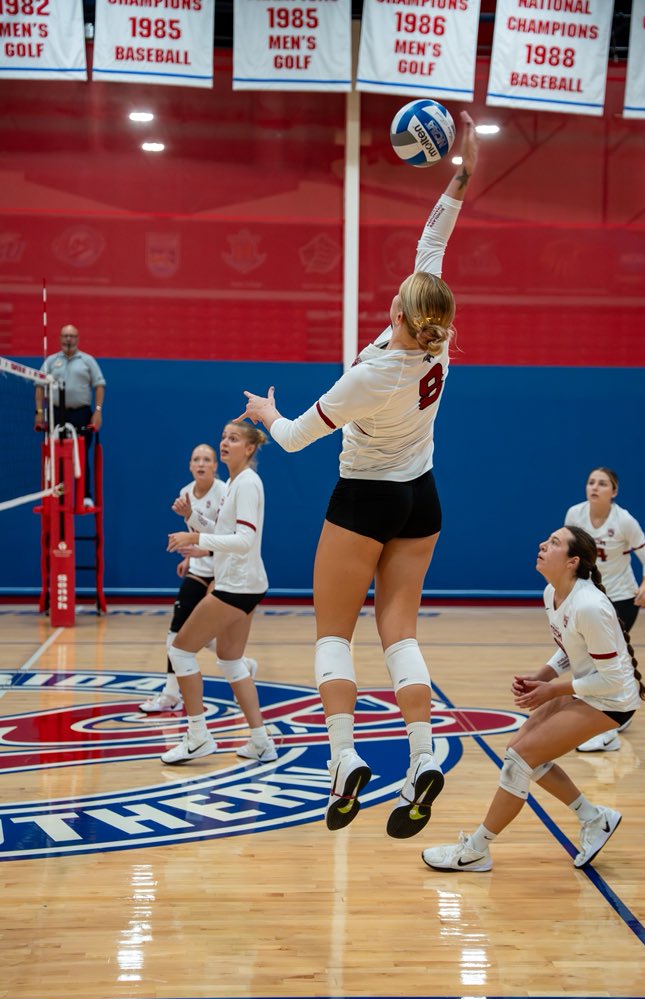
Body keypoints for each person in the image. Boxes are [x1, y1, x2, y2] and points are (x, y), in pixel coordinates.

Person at [238, 111, 478, 839]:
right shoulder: (437, 339)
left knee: (333, 634)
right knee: (399, 631)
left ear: (401, 313)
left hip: (365, 500)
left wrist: (264, 413)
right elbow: (432, 244)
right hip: (422, 498)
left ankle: (343, 760)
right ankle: (422, 752)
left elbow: (292, 440)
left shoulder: (373, 376)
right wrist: (462, 172)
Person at [421, 525, 645, 874]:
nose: (543, 544)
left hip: (611, 699)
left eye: (554, 542)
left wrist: (553, 690)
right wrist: (544, 674)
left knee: (521, 760)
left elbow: (613, 678)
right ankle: (594, 818)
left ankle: (476, 850)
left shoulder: (589, 606)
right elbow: (571, 648)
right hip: (589, 689)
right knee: (519, 752)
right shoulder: (551, 593)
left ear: (572, 561)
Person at [160, 421, 276, 765]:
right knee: (230, 660)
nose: (225, 442)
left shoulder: (247, 484)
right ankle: (261, 742)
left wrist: (195, 537)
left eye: (234, 439)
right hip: (247, 584)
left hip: (235, 585)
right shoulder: (237, 483)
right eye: (224, 437)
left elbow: (245, 540)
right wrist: (192, 518)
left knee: (180, 650)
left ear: (249, 448)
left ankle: (198, 736)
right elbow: (224, 532)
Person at [565, 466, 645, 752]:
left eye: (602, 483)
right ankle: (607, 716)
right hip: (588, 598)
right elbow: (569, 556)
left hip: (620, 599)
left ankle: (610, 728)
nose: (595, 487)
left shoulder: (624, 521)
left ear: (614, 491)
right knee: (588, 659)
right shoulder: (575, 514)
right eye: (591, 482)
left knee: (605, 661)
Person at [139, 442, 231, 714]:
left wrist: (204, 548)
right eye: (196, 459)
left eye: (207, 459)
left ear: (215, 465)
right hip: (201, 568)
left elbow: (226, 536)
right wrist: (190, 558)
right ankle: (171, 694)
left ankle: (240, 664)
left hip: (224, 568)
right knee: (177, 630)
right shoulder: (185, 493)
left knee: (204, 631)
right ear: (190, 465)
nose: (201, 464)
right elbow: (194, 532)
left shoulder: (224, 491)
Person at [34, 324, 106, 507]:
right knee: (56, 456)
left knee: (81, 455)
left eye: (72, 336)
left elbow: (99, 385)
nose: (68, 339)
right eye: (65, 335)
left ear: (77, 338)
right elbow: (39, 386)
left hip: (81, 414)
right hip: (56, 414)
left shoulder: (87, 361)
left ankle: (85, 496)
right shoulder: (50, 361)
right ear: (60, 338)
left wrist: (97, 411)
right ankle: (58, 497)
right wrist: (39, 412)